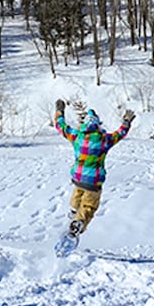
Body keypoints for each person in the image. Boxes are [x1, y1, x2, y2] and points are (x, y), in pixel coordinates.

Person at [54, 100, 135, 238]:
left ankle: (73, 209)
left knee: (79, 191)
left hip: (78, 177)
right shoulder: (104, 139)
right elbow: (120, 133)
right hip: (94, 182)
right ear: (97, 124)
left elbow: (60, 126)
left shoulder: (76, 136)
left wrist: (59, 111)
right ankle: (78, 223)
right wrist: (126, 122)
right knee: (89, 206)